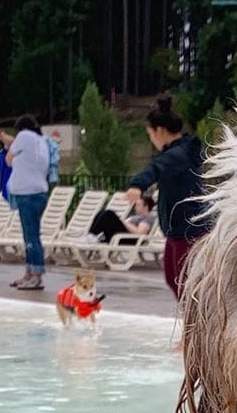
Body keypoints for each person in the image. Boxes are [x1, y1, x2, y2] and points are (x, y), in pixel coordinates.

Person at [126, 97, 207, 304]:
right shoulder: (180, 154)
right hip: (178, 229)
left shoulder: (178, 155)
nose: (152, 140)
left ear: (160, 131)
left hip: (189, 230)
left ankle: (197, 330)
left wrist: (137, 185)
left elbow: (156, 168)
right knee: (174, 279)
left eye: (151, 135)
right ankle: (192, 327)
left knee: (186, 284)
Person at [6, 114, 50, 290]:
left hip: (28, 194)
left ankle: (36, 275)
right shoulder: (42, 141)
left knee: (31, 236)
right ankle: (30, 272)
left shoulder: (24, 137)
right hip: (39, 193)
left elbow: (9, 159)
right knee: (31, 235)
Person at [80, 194, 156, 245]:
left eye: (138, 205)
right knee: (102, 212)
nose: (135, 207)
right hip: (119, 235)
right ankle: (91, 235)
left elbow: (139, 233)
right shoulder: (134, 216)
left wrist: (123, 222)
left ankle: (91, 236)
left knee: (109, 213)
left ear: (146, 206)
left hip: (130, 239)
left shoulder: (148, 218)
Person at [0, 128, 13, 201]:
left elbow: (12, 142)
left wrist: (1, 134)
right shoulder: (1, 153)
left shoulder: (12, 150)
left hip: (13, 186)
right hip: (5, 185)